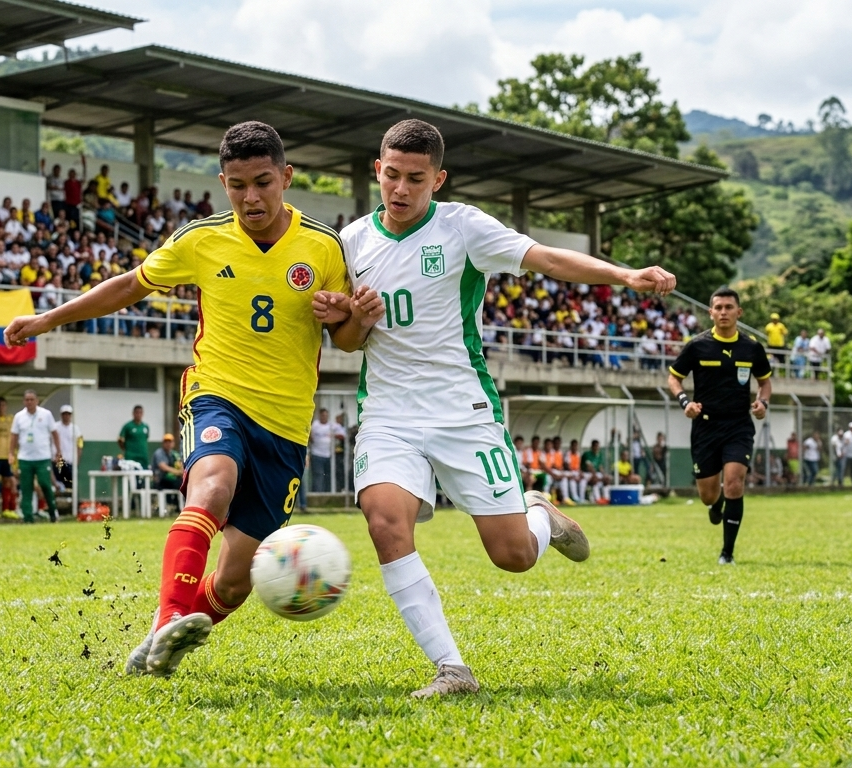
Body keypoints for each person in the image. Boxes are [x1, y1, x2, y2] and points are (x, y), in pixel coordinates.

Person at [322, 118, 673, 696]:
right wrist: (354, 318)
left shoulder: (463, 228)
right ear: (375, 171)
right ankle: (452, 669)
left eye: (416, 178)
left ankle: (543, 515)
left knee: (512, 556)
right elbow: (348, 342)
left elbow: (548, 259)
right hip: (389, 414)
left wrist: (624, 275)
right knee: (385, 523)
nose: (401, 189)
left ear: (439, 178)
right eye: (392, 175)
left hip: (464, 411)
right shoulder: (350, 242)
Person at [3, 121, 349, 678]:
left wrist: (346, 317)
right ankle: (169, 618)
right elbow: (129, 284)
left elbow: (350, 339)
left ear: (286, 177)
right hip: (218, 393)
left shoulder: (325, 247)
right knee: (212, 486)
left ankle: (160, 644)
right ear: (222, 183)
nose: (251, 197)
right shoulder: (202, 238)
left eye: (263, 182)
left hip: (286, 423)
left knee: (237, 579)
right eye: (237, 186)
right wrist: (48, 317)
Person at [667, 288, 773, 565]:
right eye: (718, 307)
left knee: (735, 483)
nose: (723, 312)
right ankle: (716, 505)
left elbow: (765, 382)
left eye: (729, 307)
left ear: (739, 312)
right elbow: (674, 379)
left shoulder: (752, 348)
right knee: (708, 495)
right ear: (710, 312)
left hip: (739, 425)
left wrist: (763, 403)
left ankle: (727, 553)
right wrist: (684, 403)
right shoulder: (697, 345)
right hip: (705, 428)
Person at [10, 389, 57, 523]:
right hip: (25, 457)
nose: (29, 402)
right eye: (27, 400)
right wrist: (11, 453)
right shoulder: (19, 416)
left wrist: (57, 451)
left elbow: (54, 433)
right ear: (24, 401)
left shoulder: (46, 414)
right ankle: (28, 517)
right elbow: (14, 436)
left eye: (32, 399)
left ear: (37, 401)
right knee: (26, 488)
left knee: (44, 484)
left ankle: (53, 511)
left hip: (43, 457)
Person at [308, 407, 343, 493]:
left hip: (328, 455)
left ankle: (328, 493)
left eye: (326, 415)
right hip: (317, 454)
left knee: (328, 475)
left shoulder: (332, 426)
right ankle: (317, 494)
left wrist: (335, 436)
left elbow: (342, 434)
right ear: (320, 416)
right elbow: (310, 436)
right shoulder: (315, 425)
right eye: (323, 415)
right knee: (318, 475)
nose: (324, 417)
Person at [52, 404, 83, 494]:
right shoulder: (55, 427)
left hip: (70, 462)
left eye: (68, 414)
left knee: (70, 486)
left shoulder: (76, 429)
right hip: (57, 462)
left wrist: (77, 461)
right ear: (61, 415)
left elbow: (80, 445)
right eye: (64, 414)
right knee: (57, 485)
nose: (66, 416)